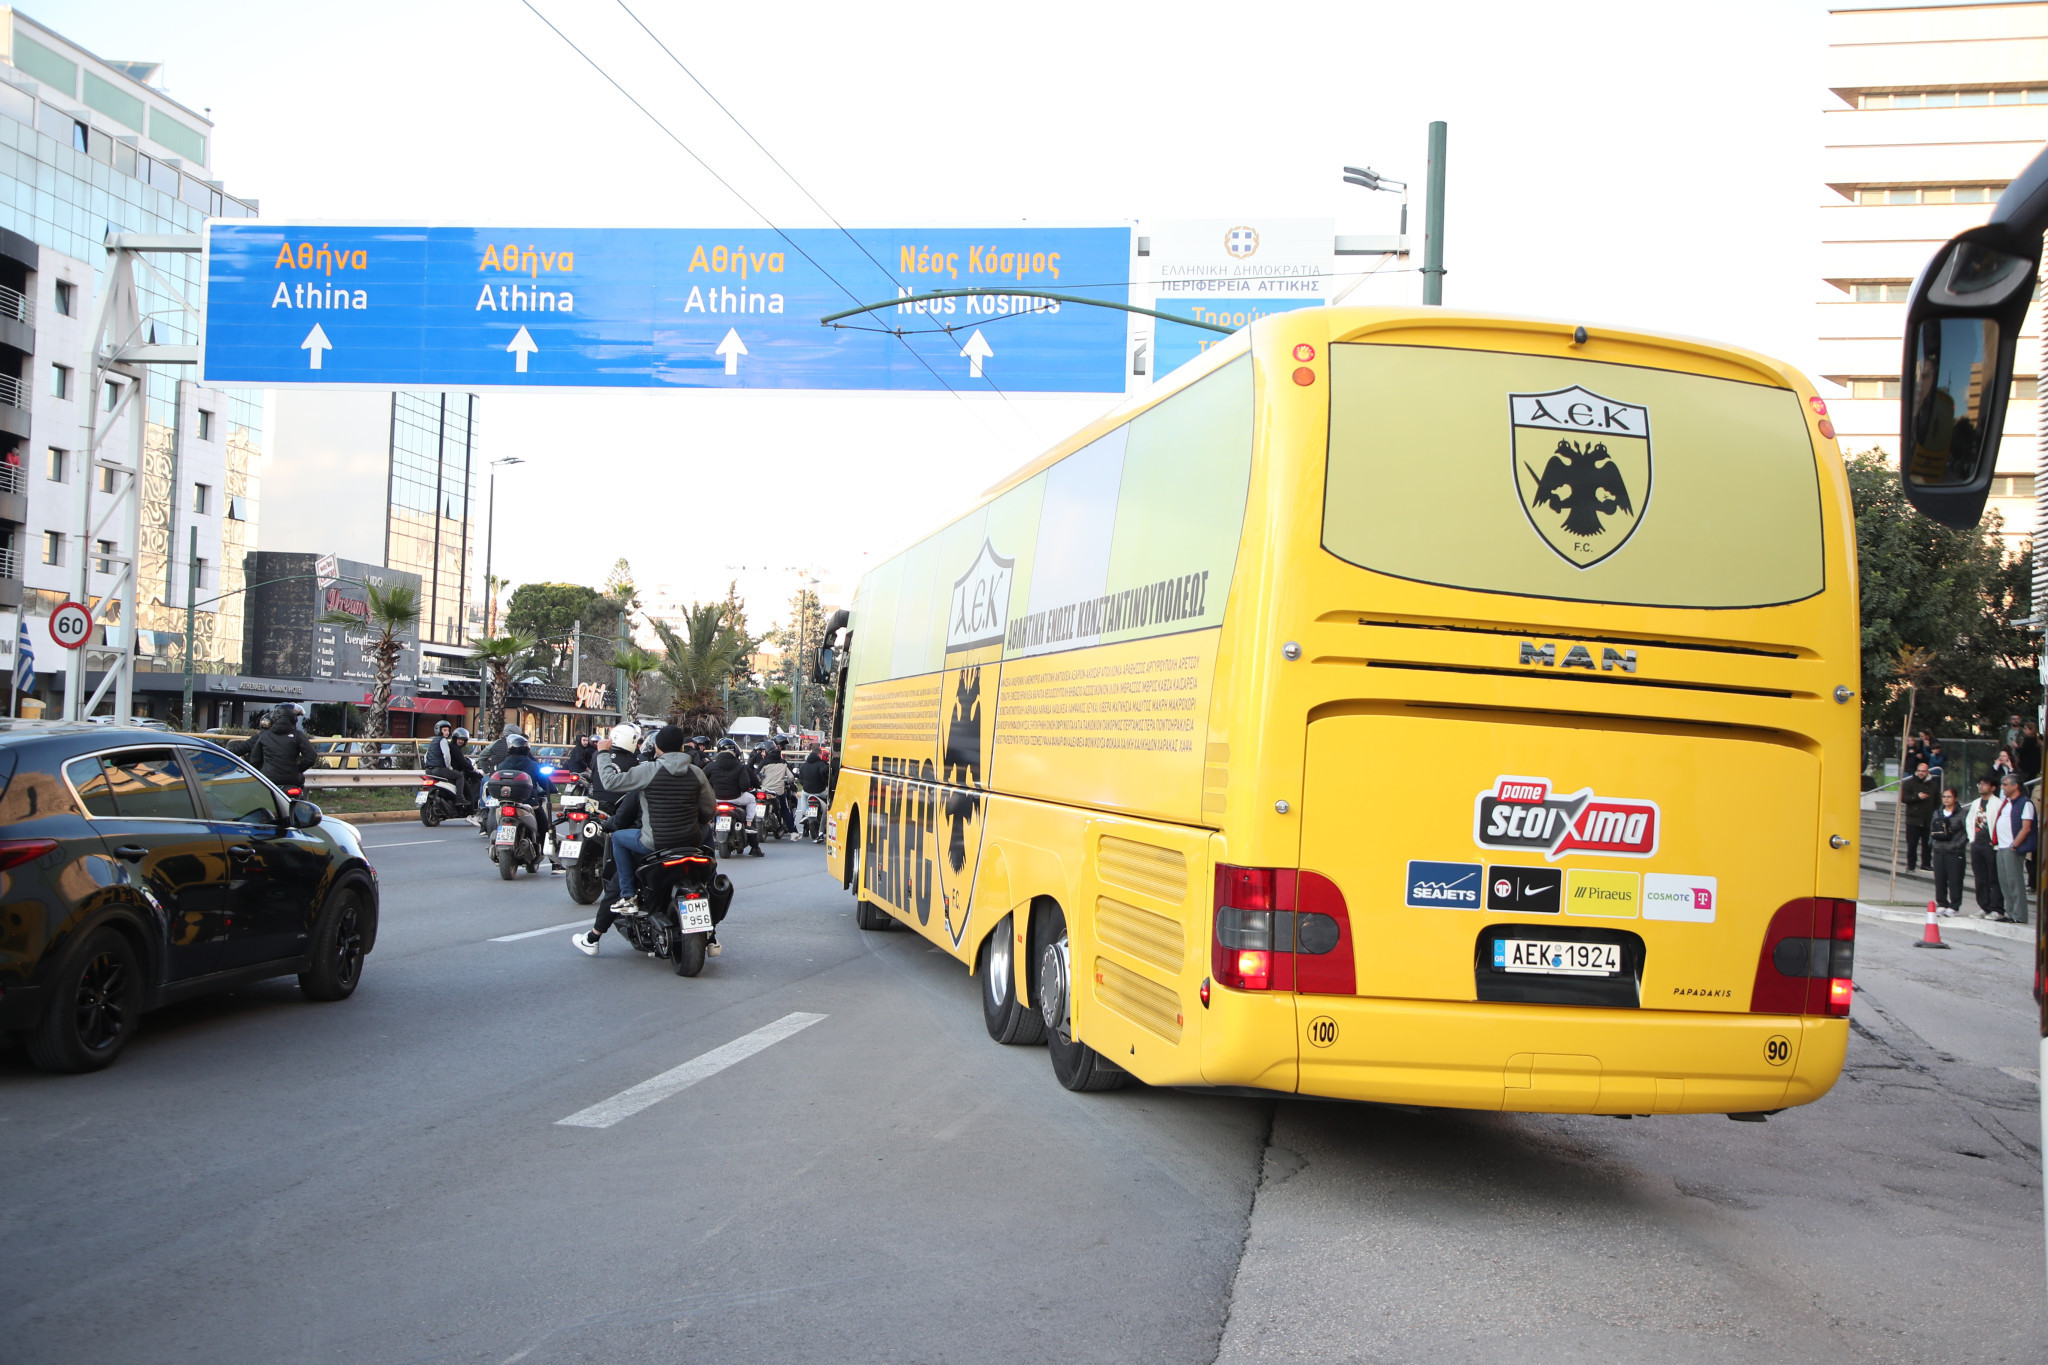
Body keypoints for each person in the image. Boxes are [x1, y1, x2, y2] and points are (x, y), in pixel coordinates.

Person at [576, 723, 716, 956]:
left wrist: (602, 753)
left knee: (619, 839)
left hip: (655, 843)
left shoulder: (649, 770)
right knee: (707, 842)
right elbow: (709, 810)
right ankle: (710, 927)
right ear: (682, 748)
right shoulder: (697, 772)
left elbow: (610, 782)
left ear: (658, 748)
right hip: (690, 842)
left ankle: (628, 895)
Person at [232, 702, 319, 793]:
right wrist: (297, 769)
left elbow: (254, 760)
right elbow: (311, 756)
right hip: (293, 780)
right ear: (291, 717)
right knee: (301, 799)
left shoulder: (264, 736)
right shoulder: (298, 735)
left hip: (268, 780)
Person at [705, 739, 763, 854]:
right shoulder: (740, 766)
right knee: (751, 799)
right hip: (736, 798)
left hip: (716, 799)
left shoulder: (711, 766)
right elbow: (745, 785)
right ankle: (749, 824)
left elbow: (703, 781)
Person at [1992, 773, 2035, 925]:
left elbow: (2026, 828)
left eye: (2005, 784)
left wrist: (2015, 844)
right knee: (2005, 882)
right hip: (2001, 847)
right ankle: (2010, 912)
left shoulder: (2025, 803)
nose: (2002, 787)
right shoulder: (2006, 803)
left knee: (2015, 881)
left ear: (2015, 786)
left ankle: (2020, 914)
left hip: (2012, 848)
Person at [1966, 775, 2006, 920]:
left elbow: (2000, 823)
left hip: (1991, 845)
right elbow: (1970, 821)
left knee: (1993, 877)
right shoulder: (1976, 803)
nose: (1981, 786)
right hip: (1978, 843)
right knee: (1980, 877)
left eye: (1985, 784)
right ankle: (1983, 906)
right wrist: (1972, 839)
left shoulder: (1998, 803)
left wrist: (1996, 841)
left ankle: (1996, 908)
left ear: (1993, 787)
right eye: (1980, 783)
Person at [1928, 787, 1968, 917]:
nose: (1946, 799)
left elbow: (1966, 833)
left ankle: (1954, 905)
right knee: (1940, 879)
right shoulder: (1937, 813)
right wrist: (1932, 843)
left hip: (1954, 852)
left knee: (1955, 879)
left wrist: (1957, 845)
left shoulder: (1962, 814)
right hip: (1939, 850)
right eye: (1944, 797)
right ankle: (1942, 903)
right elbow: (1932, 829)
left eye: (1949, 797)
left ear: (1955, 798)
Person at [1898, 760, 1938, 874]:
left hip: (1928, 819)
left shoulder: (1933, 785)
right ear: (1916, 771)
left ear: (1927, 772)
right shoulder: (1909, 783)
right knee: (1912, 844)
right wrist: (1917, 797)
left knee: (1927, 844)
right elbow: (1904, 799)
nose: (1921, 773)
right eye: (1919, 771)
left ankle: (1926, 864)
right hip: (1913, 819)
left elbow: (1937, 801)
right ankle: (1911, 865)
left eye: (1924, 771)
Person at [758, 746, 798, 837]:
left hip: (765, 790)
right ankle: (793, 832)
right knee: (785, 810)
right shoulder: (783, 762)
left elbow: (756, 775)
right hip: (779, 791)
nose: (762, 753)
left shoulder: (764, 762)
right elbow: (791, 777)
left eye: (763, 751)